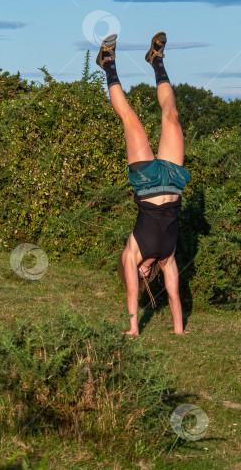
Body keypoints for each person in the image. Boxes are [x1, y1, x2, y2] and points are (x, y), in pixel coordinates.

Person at [96, 31, 191, 336]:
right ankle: (157, 60)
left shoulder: (131, 254)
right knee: (172, 117)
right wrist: (179, 331)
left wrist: (132, 327)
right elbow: (174, 295)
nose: (141, 273)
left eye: (138, 274)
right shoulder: (167, 258)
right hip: (173, 183)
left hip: (147, 180)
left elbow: (131, 293)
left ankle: (108, 62)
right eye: (142, 274)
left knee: (133, 119)